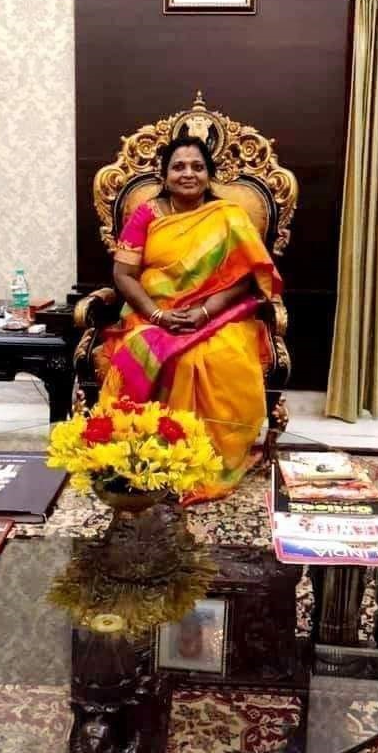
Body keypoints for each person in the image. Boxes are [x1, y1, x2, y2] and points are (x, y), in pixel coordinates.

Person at [95, 136, 282, 503]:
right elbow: (123, 275)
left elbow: (246, 278)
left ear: (209, 175)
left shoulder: (228, 216)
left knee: (216, 356)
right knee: (149, 351)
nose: (188, 173)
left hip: (218, 314)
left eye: (197, 167)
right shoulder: (146, 214)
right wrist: (158, 314)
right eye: (178, 166)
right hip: (151, 314)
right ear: (165, 175)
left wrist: (204, 312)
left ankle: (205, 463)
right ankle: (143, 455)